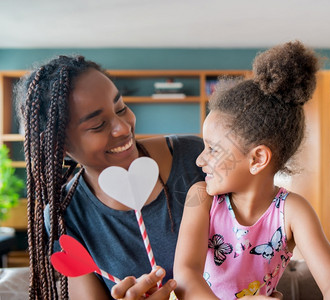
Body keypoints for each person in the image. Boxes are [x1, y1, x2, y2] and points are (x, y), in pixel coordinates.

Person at [173, 41, 330, 299]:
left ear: (257, 158)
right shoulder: (201, 197)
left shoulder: (293, 212)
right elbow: (186, 274)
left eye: (213, 149)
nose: (199, 160)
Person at [14, 55, 205, 300]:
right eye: (97, 125)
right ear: (57, 145)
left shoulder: (196, 158)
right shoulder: (65, 217)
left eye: (121, 108)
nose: (123, 128)